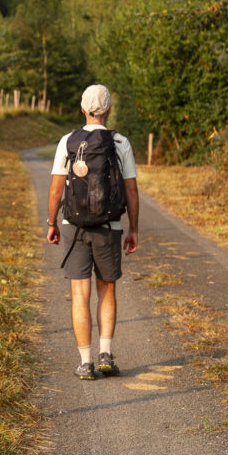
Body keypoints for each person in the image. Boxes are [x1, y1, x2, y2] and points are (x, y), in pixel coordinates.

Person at [46, 84, 139, 380]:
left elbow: (56, 188)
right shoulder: (120, 142)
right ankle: (105, 355)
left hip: (73, 226)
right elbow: (132, 191)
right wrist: (133, 228)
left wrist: (51, 223)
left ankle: (85, 362)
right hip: (108, 226)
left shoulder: (67, 141)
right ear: (109, 109)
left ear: (83, 109)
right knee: (107, 288)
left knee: (79, 293)